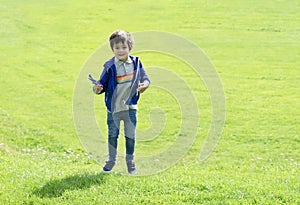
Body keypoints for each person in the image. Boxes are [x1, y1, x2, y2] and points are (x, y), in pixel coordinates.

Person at [92, 30, 150, 174]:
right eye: (116, 48)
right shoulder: (109, 66)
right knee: (113, 135)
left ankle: (130, 163)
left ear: (129, 47)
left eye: (123, 47)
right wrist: (97, 88)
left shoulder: (136, 63)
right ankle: (111, 161)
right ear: (112, 49)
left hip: (130, 107)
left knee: (130, 136)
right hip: (114, 108)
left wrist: (145, 85)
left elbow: (145, 78)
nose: (120, 51)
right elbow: (101, 84)